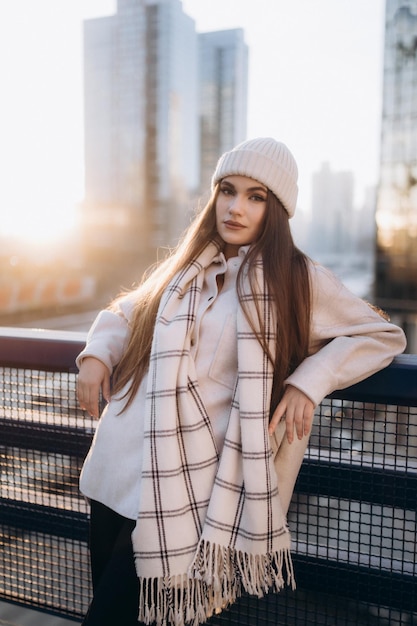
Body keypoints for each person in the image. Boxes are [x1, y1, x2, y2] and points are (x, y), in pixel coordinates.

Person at [76, 137, 406, 626]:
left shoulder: (297, 279)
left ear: (278, 210)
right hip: (116, 469)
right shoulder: (189, 265)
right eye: (228, 191)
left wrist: (308, 380)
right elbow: (129, 310)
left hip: (185, 491)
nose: (236, 207)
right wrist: (96, 355)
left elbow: (383, 336)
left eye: (256, 197)